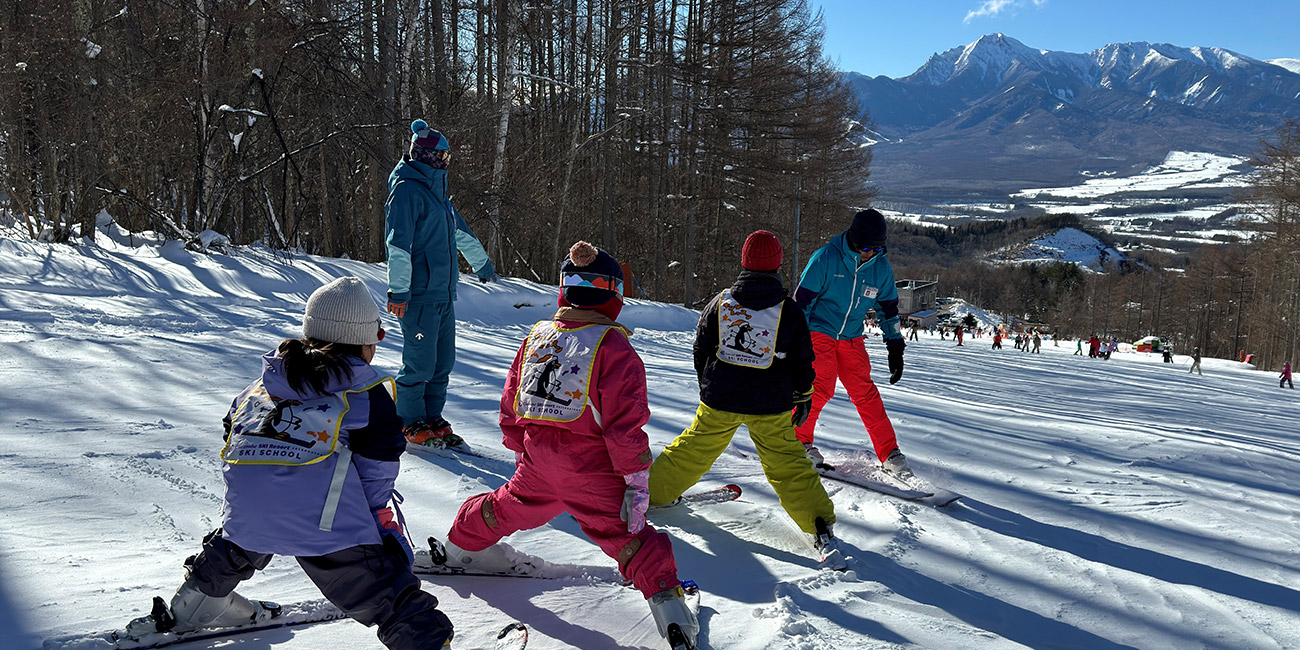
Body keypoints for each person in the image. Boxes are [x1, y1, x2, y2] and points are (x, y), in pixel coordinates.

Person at [126, 277, 454, 648]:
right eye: (377, 335)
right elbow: (379, 458)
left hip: (247, 509)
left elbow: (231, 429)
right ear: (363, 342)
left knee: (238, 542)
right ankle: (426, 640)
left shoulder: (263, 382)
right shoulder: (364, 394)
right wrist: (374, 514)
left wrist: (271, 473)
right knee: (385, 591)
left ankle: (192, 605)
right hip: (325, 524)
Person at [441, 242, 699, 649]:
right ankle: (671, 609)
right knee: (627, 536)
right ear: (613, 296)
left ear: (564, 291)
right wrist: (635, 478)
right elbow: (624, 426)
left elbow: (512, 400)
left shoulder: (537, 338)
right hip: (591, 469)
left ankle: (457, 545)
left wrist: (517, 446)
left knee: (511, 504)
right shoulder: (614, 349)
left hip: (538, 459)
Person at [648, 231, 839, 554]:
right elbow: (803, 359)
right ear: (778, 264)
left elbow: (701, 348)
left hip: (721, 398)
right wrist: (803, 393)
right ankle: (818, 520)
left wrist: (707, 383)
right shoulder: (787, 311)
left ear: (744, 262)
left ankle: (650, 493)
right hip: (770, 404)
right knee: (786, 462)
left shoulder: (721, 302)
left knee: (692, 449)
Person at [385, 119, 496, 449]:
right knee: (419, 362)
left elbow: (461, 233)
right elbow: (398, 245)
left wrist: (483, 264)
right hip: (417, 296)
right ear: (426, 155)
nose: (447, 162)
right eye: (443, 156)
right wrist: (399, 290)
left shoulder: (439, 196)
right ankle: (409, 419)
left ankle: (432, 416)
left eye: (449, 156)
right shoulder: (406, 191)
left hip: (443, 294)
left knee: (442, 362)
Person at [792, 208, 912, 480]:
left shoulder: (880, 268)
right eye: (863, 247)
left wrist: (895, 347)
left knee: (866, 393)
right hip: (818, 331)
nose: (868, 253)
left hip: (851, 337)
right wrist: (796, 341)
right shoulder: (826, 258)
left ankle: (890, 453)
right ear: (851, 239)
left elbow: (889, 310)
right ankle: (799, 442)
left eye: (875, 248)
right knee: (820, 388)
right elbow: (801, 303)